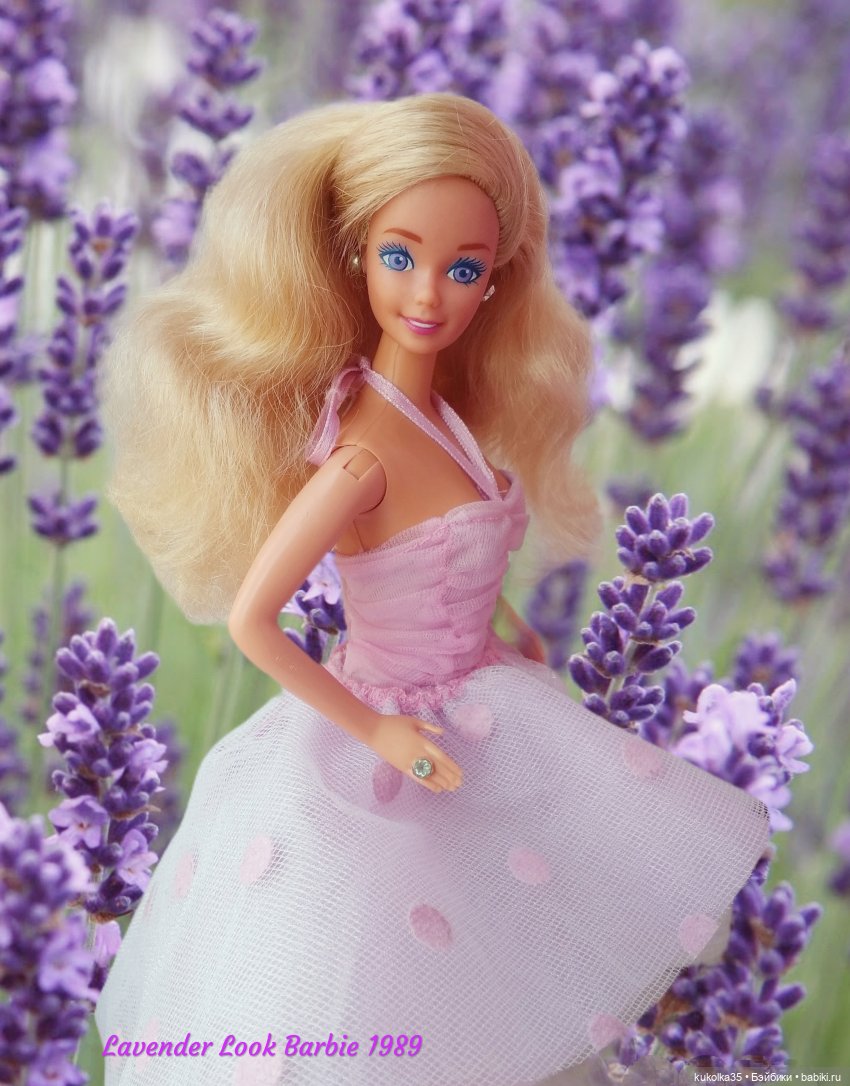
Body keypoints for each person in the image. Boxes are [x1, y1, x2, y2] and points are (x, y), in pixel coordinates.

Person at [95, 93, 770, 1086]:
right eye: (399, 257)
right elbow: (254, 622)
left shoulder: (443, 415)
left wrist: (506, 621)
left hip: (485, 711)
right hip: (385, 742)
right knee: (384, 987)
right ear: (355, 255)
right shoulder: (360, 456)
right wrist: (376, 730)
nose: (429, 294)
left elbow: (449, 546)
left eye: (463, 269)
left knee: (508, 975)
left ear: (496, 281)